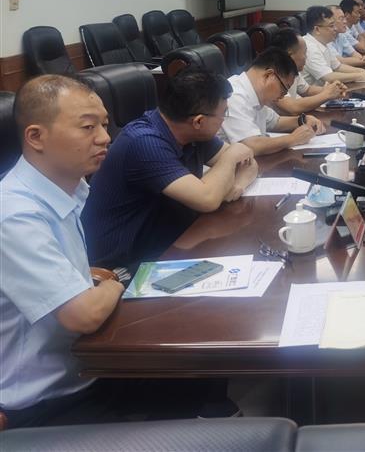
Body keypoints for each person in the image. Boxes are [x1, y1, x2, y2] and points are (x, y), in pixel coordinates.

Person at [1, 76, 235, 428]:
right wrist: (114, 281)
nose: (105, 137)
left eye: (104, 124)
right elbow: (83, 315)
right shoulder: (15, 215)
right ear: (36, 137)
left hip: (93, 364)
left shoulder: (72, 187)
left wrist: (100, 282)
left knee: (207, 360)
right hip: (50, 401)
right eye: (87, 127)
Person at [82, 69, 259, 269]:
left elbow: (249, 163)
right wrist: (232, 155)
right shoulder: (143, 142)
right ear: (199, 121)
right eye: (223, 114)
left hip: (173, 241)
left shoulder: (192, 132)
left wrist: (238, 185)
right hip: (122, 266)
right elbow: (208, 199)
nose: (223, 121)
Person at [219, 47, 325, 155]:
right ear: (268, 75)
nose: (283, 95)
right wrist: (293, 138)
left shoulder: (255, 93)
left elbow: (275, 122)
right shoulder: (234, 95)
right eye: (284, 89)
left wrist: (303, 120)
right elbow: (251, 145)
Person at [269, 28, 347, 116]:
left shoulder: (291, 69)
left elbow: (307, 90)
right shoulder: (272, 75)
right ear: (290, 55)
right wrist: (327, 94)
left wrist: (331, 90)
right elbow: (292, 107)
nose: (306, 57)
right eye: (304, 53)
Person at [302, 6, 365, 85]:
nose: (335, 29)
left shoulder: (324, 43)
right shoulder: (308, 47)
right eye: (331, 26)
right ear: (317, 29)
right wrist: (359, 76)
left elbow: (338, 67)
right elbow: (328, 77)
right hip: (316, 91)